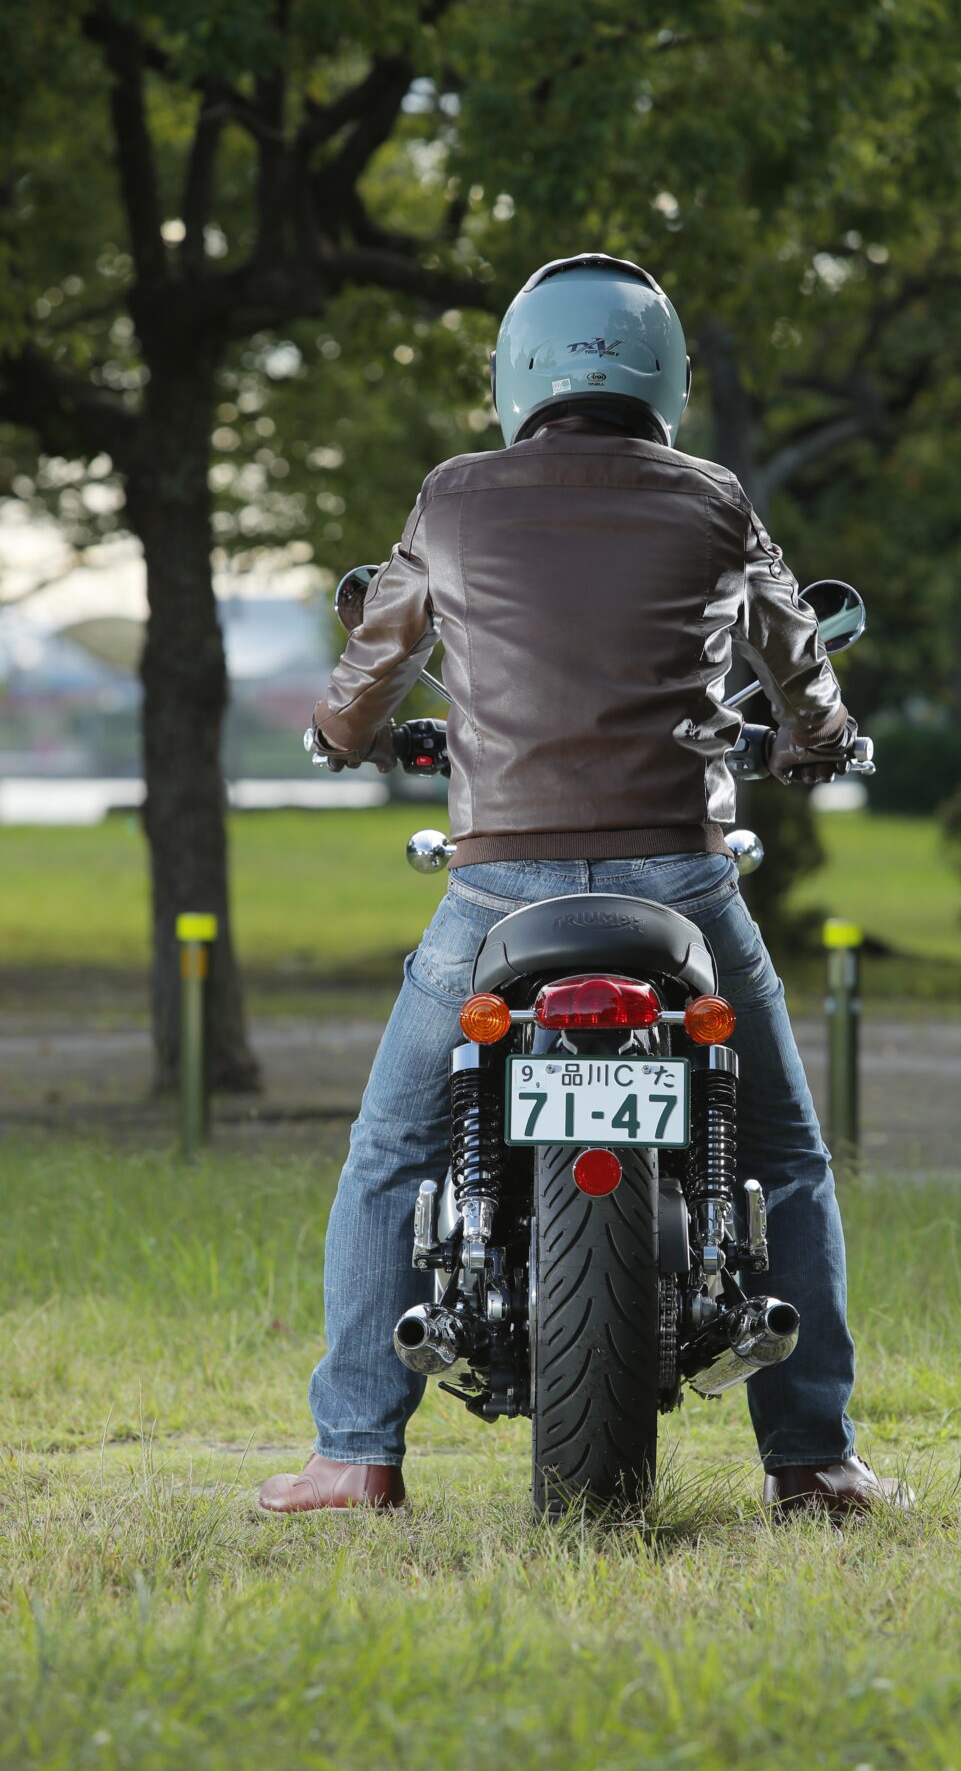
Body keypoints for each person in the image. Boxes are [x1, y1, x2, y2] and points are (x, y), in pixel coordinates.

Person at [258, 254, 906, 1520]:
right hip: (681, 881)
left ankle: (354, 1453)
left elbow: (372, 665)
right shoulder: (714, 499)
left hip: (499, 887)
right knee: (783, 1155)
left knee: (392, 1152)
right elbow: (796, 658)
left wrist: (341, 736)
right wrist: (819, 741)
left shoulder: (453, 497)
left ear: (519, 372)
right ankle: (814, 1460)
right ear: (662, 375)